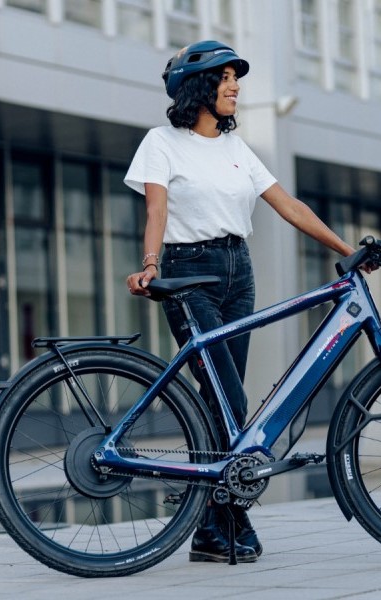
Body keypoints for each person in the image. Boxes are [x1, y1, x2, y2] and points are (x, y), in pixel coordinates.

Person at [123, 41, 355, 564]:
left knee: (221, 403)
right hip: (189, 273)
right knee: (231, 400)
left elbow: (288, 205)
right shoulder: (162, 142)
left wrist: (348, 250)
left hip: (237, 273)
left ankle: (212, 526)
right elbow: (157, 209)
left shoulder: (236, 147)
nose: (235, 87)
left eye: (236, 78)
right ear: (198, 87)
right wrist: (151, 263)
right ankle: (229, 515)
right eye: (225, 78)